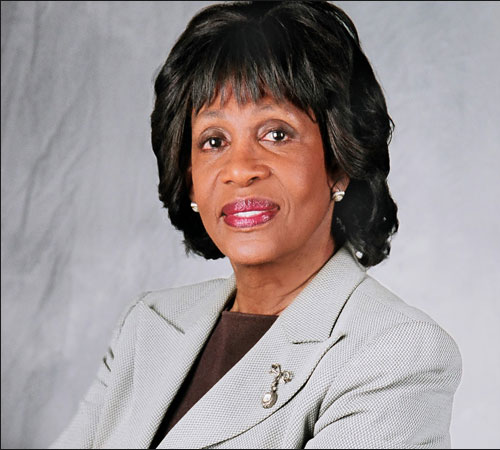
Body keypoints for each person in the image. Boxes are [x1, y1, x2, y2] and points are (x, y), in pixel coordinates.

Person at [50, 2, 462, 448]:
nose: (240, 169)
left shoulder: (394, 353)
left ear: (339, 163)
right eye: (214, 141)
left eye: (276, 134)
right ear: (189, 178)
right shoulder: (146, 327)